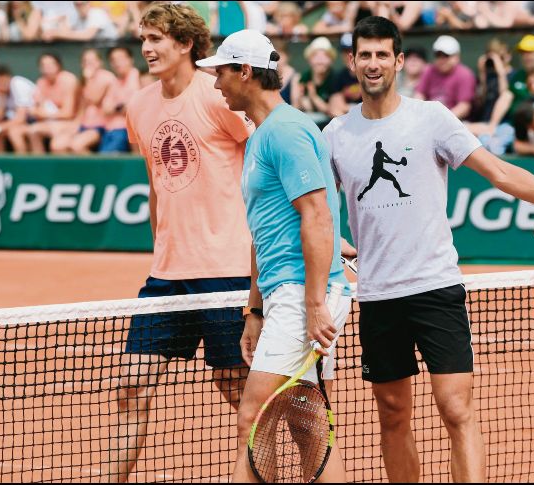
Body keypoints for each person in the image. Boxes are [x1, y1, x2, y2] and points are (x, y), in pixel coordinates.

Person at [323, 16, 534, 483]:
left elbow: (500, 173)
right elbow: (313, 208)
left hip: (435, 287)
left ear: (398, 61)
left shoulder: (431, 118)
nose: (373, 64)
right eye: (364, 55)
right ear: (352, 61)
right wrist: (335, 241)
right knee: (392, 414)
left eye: (382, 55)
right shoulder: (335, 134)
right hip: (377, 294)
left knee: (456, 409)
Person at [97, 4, 253, 482]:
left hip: (228, 271)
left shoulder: (219, 96)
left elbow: (266, 161)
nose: (147, 48)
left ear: (185, 44)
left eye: (157, 39)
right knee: (132, 387)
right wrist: (161, 248)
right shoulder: (139, 106)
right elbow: (156, 184)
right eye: (143, 39)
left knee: (240, 391)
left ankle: (299, 461)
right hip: (166, 278)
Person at [196, 28, 351, 483]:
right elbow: (263, 234)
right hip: (288, 294)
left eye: (221, 73)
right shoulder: (264, 134)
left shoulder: (285, 131)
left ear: (245, 72)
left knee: (253, 416)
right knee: (307, 422)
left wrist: (314, 303)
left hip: (303, 294)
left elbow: (317, 215)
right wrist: (255, 310)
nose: (217, 84)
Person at [6, 53, 79, 154]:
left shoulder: (68, 80)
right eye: (44, 65)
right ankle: (37, 163)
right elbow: (36, 114)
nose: (47, 69)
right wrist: (38, 112)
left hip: (72, 123)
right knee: (25, 131)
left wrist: (42, 113)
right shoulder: (41, 82)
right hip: (49, 123)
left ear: (58, 66)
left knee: (54, 142)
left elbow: (68, 114)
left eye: (50, 65)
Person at [50, 48, 115, 154]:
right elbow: (82, 106)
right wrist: (75, 124)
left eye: (92, 60)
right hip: (84, 124)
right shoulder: (83, 80)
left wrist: (88, 79)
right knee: (57, 145)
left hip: (101, 127)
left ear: (100, 62)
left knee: (76, 146)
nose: (89, 64)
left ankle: (94, 165)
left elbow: (94, 99)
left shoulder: (107, 77)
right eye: (85, 61)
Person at [414, 35, 476, 121]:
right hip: (429, 118)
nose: (442, 59)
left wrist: (442, 120)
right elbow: (419, 95)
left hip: (457, 121)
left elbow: (464, 107)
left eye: (446, 56)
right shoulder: (429, 70)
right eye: (438, 55)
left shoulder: (465, 74)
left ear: (457, 57)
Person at [0, 65, 35, 152]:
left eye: (4, 81)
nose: (2, 84)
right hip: (20, 122)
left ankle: (22, 160)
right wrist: (0, 98)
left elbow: (20, 119)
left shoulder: (18, 84)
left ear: (9, 78)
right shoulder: (0, 91)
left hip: (35, 120)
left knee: (14, 132)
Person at [100, 46, 141, 153]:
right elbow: (105, 109)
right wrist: (119, 107)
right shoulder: (114, 81)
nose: (117, 63)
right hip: (109, 130)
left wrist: (116, 107)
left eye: (121, 58)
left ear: (130, 59)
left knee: (105, 158)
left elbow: (132, 108)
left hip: (126, 131)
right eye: (113, 60)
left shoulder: (137, 76)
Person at [295, 36, 340, 121]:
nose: (320, 61)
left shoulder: (335, 78)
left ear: (331, 60)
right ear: (309, 59)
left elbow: (334, 111)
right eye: (315, 56)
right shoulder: (304, 77)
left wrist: (314, 97)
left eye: (325, 56)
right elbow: (300, 107)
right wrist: (302, 100)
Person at [41, 1, 118, 41]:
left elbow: (87, 35)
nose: (80, 6)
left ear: (89, 3)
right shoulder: (77, 18)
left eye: (83, 3)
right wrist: (62, 21)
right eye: (77, 4)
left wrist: (56, 34)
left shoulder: (97, 12)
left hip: (113, 47)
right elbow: (68, 33)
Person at [329, 32, 362, 117]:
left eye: (352, 51)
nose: (349, 55)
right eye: (345, 51)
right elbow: (335, 108)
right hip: (347, 119)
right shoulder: (339, 77)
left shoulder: (371, 74)